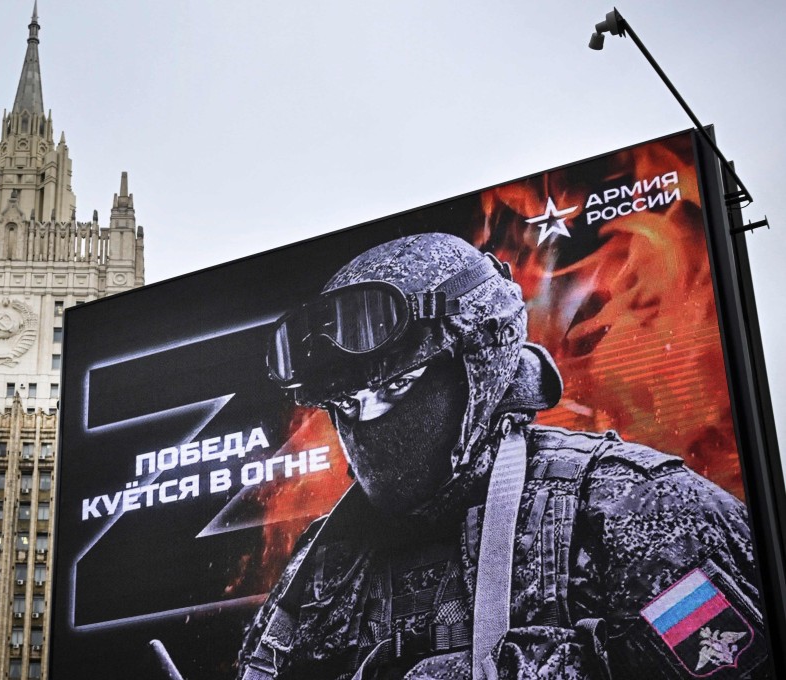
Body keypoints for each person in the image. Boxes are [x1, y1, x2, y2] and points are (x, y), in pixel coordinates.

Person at [237, 233, 770, 680]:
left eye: (397, 386)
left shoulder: (636, 508)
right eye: (349, 403)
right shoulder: (321, 568)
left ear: (479, 366)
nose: (367, 422)